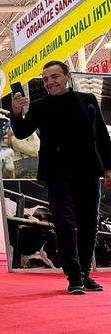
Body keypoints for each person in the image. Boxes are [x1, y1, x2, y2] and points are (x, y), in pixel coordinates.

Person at [10, 60, 109, 294]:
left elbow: (102, 136)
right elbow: (23, 132)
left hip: (87, 170)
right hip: (56, 171)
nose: (49, 82)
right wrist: (16, 113)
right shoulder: (40, 106)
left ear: (67, 77)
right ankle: (74, 275)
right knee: (64, 223)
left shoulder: (87, 101)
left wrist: (108, 168)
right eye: (45, 79)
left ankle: (84, 274)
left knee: (89, 223)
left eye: (54, 77)